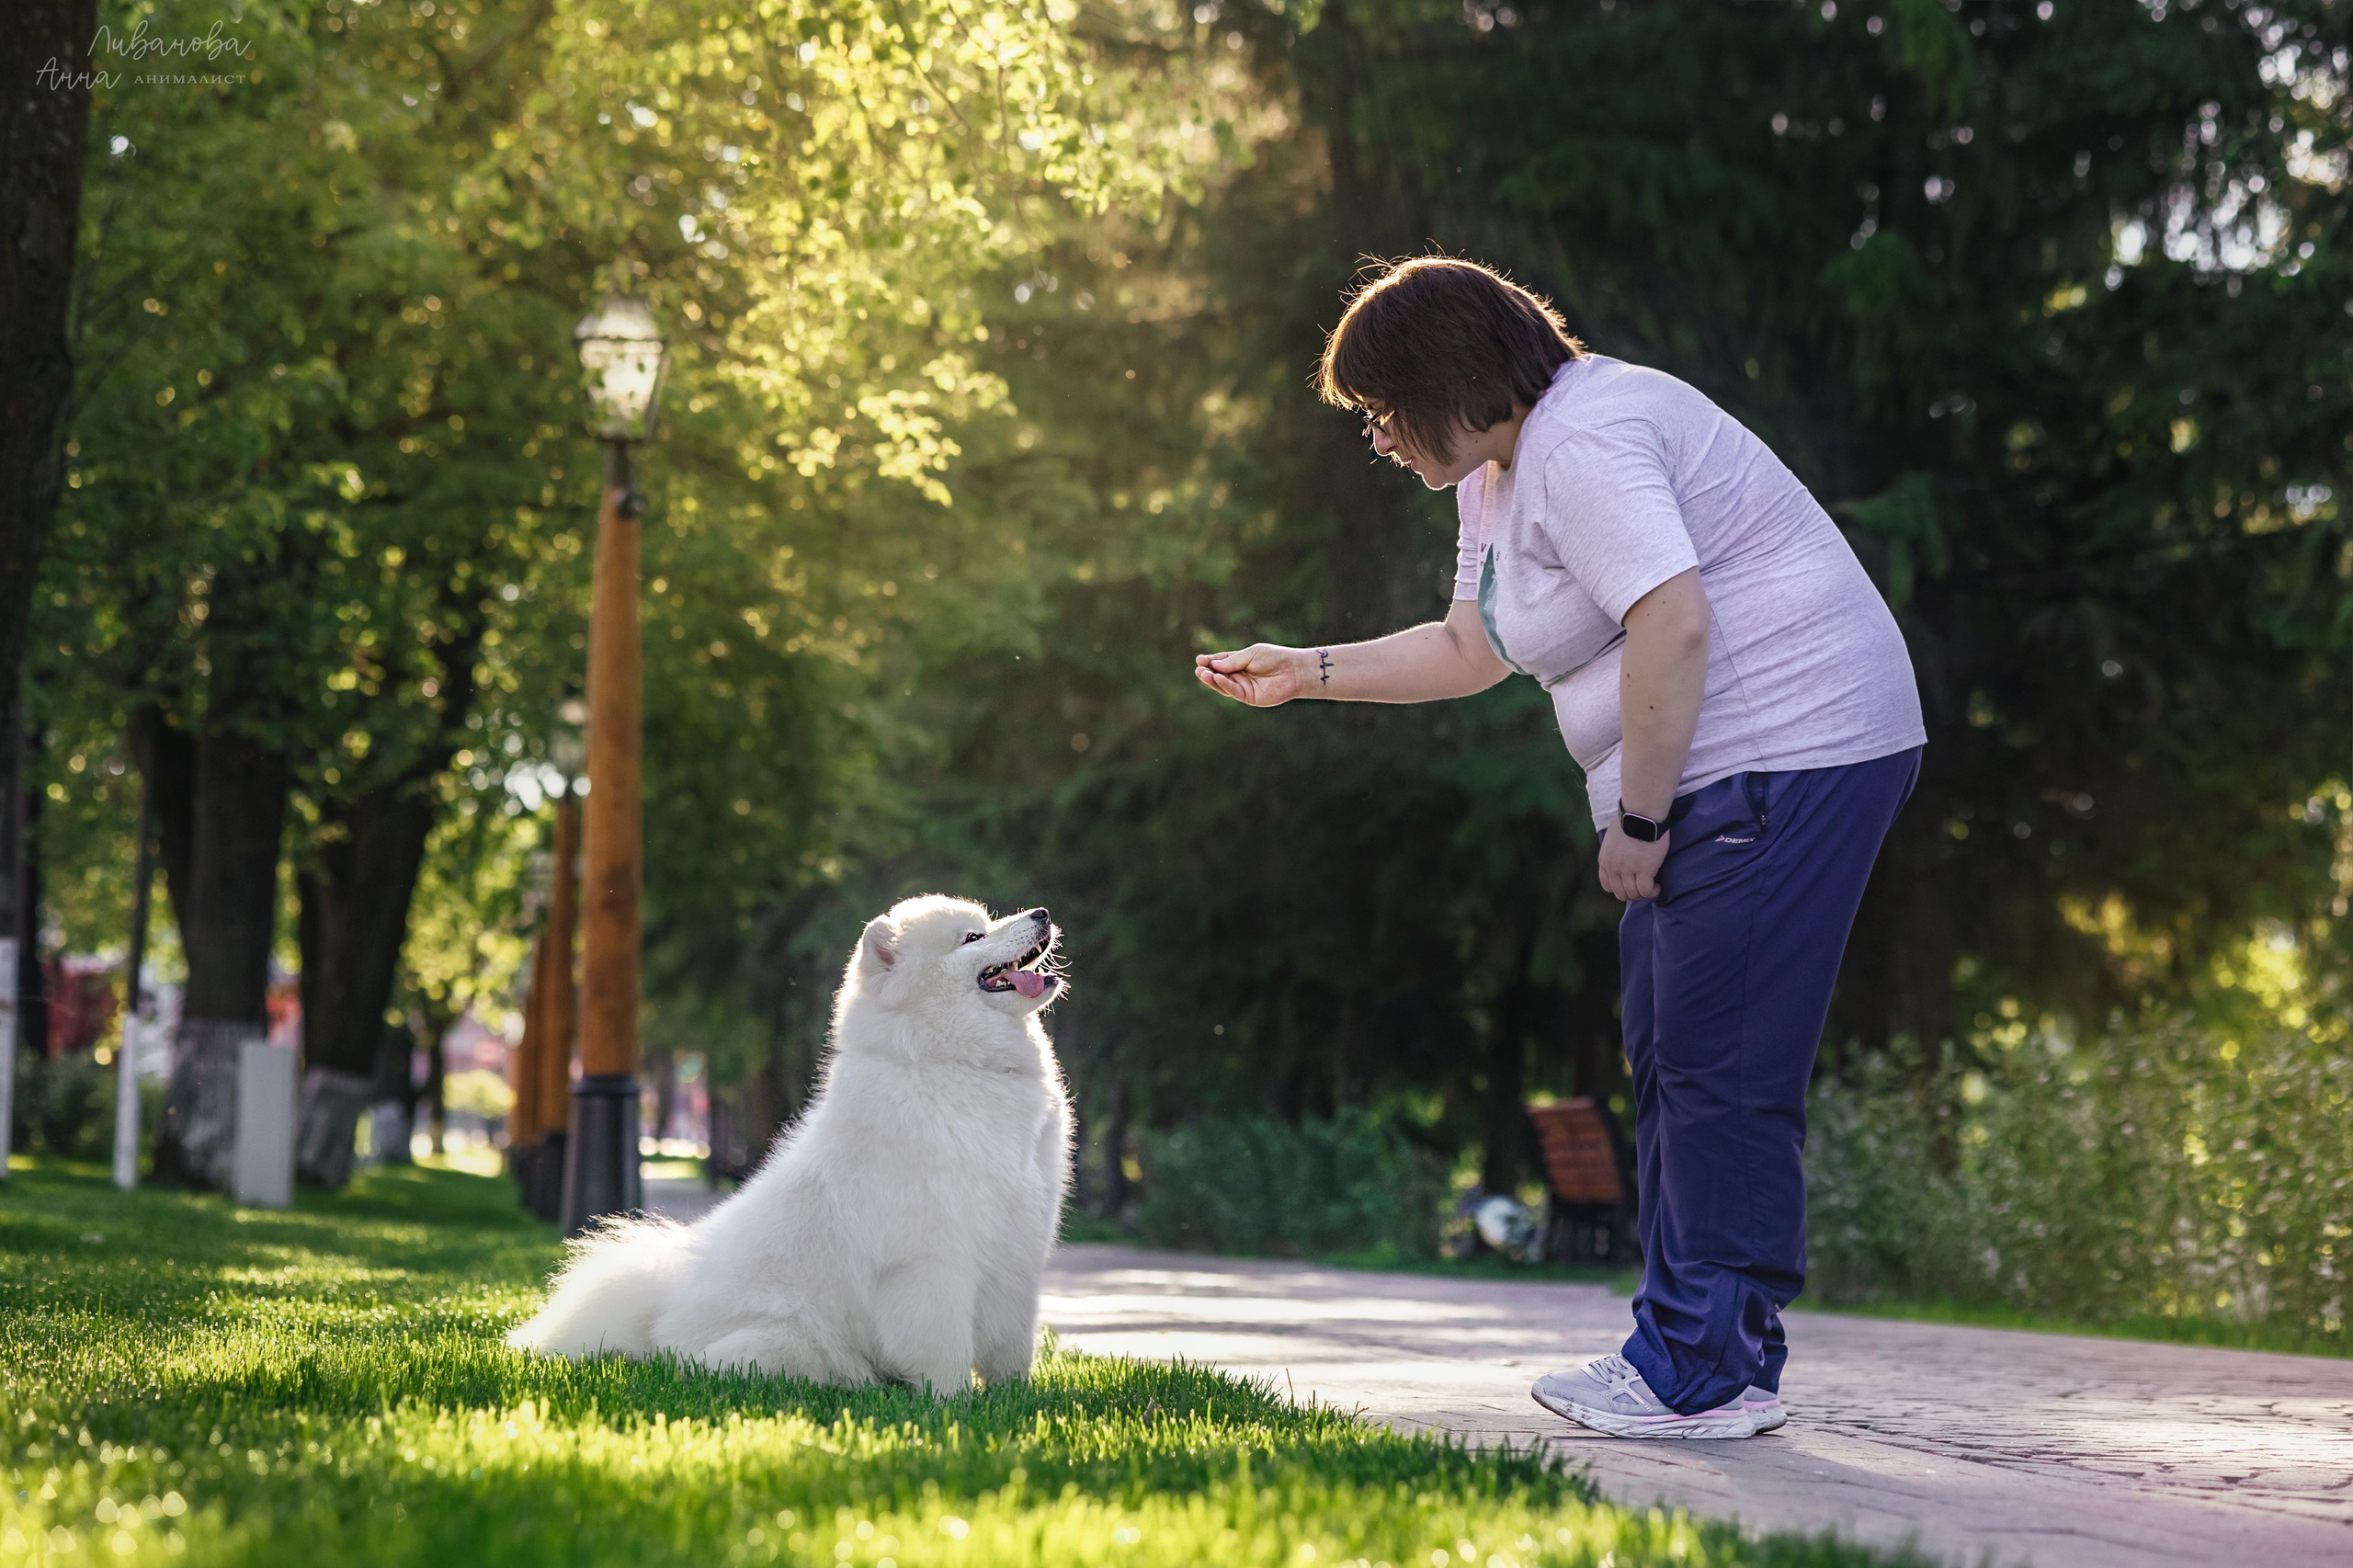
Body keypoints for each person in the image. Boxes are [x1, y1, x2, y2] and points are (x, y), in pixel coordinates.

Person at [1194, 256, 1924, 1439]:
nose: (1377, 439)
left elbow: (1670, 617)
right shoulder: (1503, 471)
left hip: (1788, 749)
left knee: (1715, 1062)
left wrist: (1638, 820)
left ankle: (1701, 1371)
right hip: (1737, 764)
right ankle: (1706, 1355)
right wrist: (1305, 671)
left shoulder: (1583, 440)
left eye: (1384, 411)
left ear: (1452, 381)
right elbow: (1470, 647)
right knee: (1677, 1051)